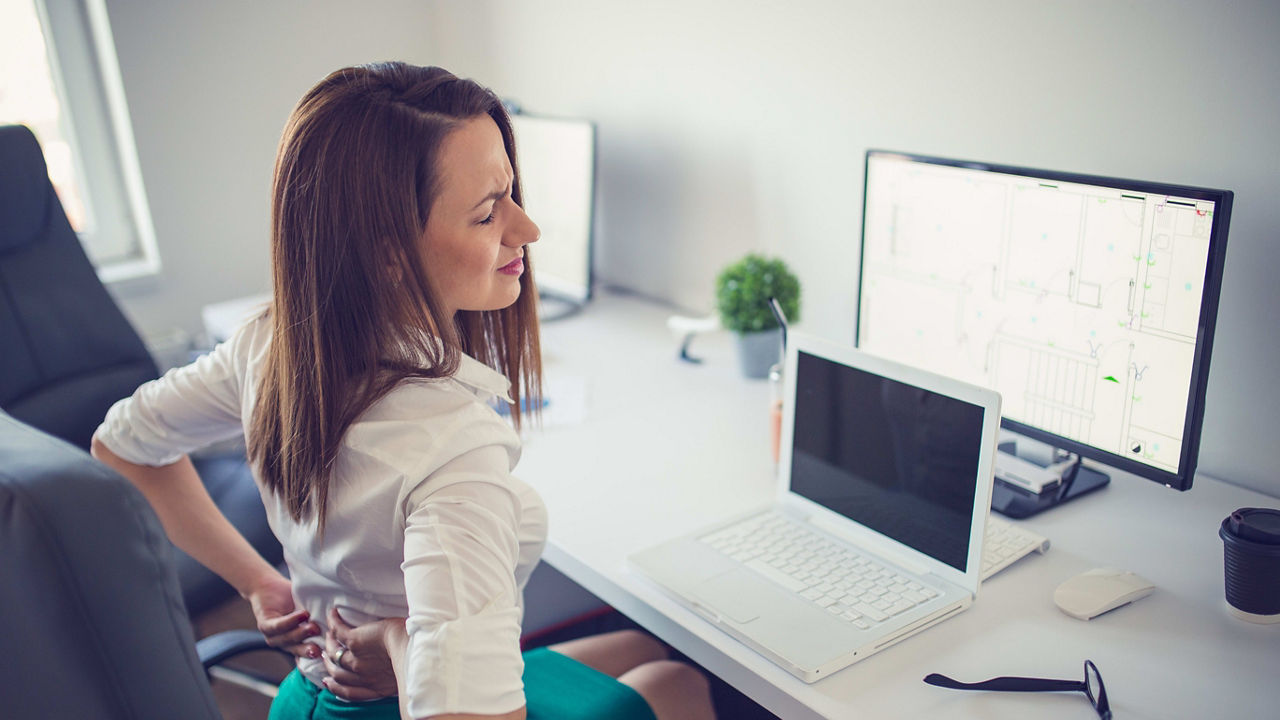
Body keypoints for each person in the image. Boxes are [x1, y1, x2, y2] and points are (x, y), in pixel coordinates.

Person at [91, 62, 716, 720]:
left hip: (307, 695)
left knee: (643, 648)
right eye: (486, 214)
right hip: (381, 698)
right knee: (678, 687)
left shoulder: (275, 343)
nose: (526, 229)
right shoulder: (450, 456)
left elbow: (121, 444)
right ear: (388, 254)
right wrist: (396, 639)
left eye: (511, 193)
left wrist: (263, 586)